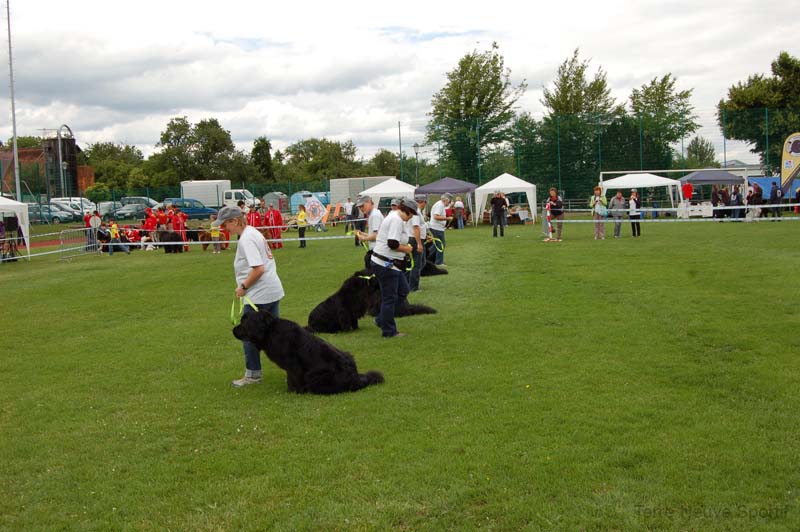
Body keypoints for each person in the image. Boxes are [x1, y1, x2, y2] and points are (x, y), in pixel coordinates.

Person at [213, 206, 284, 387]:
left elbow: (258, 268)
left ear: (235, 221)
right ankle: (294, 363)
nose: (224, 229)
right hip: (270, 291)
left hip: (260, 295)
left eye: (225, 224)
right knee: (274, 335)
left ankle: (253, 374)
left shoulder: (247, 239)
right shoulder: (252, 232)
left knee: (249, 334)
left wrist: (243, 287)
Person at [371, 198, 417, 338]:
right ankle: (389, 331)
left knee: (403, 291)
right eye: (411, 215)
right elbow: (392, 243)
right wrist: (407, 249)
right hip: (386, 264)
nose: (411, 218)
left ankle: (382, 319)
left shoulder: (395, 217)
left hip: (391, 264)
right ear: (407, 212)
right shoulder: (396, 220)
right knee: (389, 298)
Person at [355, 195, 384, 269]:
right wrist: (362, 234)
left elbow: (376, 236)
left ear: (369, 202)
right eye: (359, 207)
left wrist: (363, 239)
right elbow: (374, 234)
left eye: (362, 206)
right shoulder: (373, 214)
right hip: (377, 251)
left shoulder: (375, 215)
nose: (361, 208)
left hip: (378, 252)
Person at [407, 195, 427, 291]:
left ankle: (409, 282)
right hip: (414, 240)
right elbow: (416, 227)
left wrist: (425, 236)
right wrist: (419, 243)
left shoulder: (416, 212)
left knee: (420, 262)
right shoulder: (416, 213)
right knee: (417, 264)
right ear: (422, 202)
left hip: (415, 238)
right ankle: (413, 287)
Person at [428, 193, 451, 265]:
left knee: (436, 245)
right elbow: (436, 216)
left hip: (436, 227)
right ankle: (439, 262)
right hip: (436, 228)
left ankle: (427, 258)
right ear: (446, 200)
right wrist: (447, 218)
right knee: (441, 244)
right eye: (449, 201)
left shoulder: (440, 204)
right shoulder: (440, 205)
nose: (449, 203)